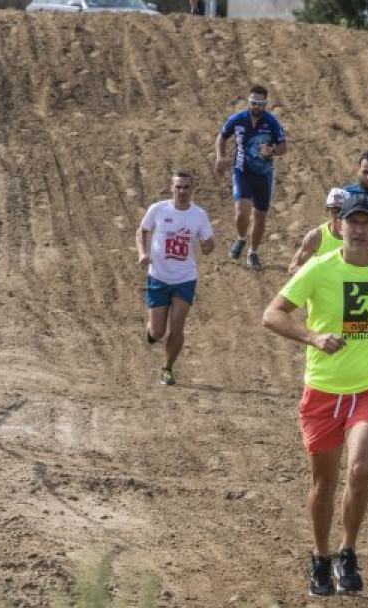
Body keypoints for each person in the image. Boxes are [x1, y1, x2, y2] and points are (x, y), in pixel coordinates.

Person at [262, 193, 368, 597]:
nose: (361, 230)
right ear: (341, 226)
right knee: (324, 482)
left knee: (360, 469)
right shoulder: (318, 270)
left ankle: (348, 550)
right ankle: (320, 557)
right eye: (354, 223)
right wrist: (312, 336)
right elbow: (272, 314)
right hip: (323, 392)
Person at [136, 171, 214, 386]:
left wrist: (208, 246)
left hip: (185, 279)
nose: (182, 191)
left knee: (178, 325)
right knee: (157, 332)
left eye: (186, 187)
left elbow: (208, 243)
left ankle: (168, 368)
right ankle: (151, 329)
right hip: (158, 277)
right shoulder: (158, 209)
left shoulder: (199, 215)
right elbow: (142, 231)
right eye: (178, 187)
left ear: (192, 189)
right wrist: (142, 254)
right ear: (171, 188)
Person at [215, 85, 287, 272]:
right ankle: (241, 238)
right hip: (242, 172)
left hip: (263, 175)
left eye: (260, 103)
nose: (255, 106)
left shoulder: (271, 122)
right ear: (248, 101)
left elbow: (283, 147)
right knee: (241, 212)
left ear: (265, 104)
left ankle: (252, 252)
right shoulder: (237, 120)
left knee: (260, 217)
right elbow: (222, 137)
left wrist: (272, 151)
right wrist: (220, 157)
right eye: (253, 102)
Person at [288, 187, 348, 274]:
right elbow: (293, 268)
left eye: (343, 211)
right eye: (335, 210)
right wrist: (318, 274)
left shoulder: (358, 238)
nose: (339, 215)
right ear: (329, 210)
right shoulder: (316, 237)